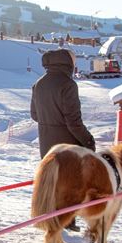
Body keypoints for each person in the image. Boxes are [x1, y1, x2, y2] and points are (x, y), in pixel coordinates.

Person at [31, 48, 96, 232]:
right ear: (67, 61)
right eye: (74, 60)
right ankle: (67, 221)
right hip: (67, 144)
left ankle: (52, 218)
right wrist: (88, 141)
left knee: (52, 182)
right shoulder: (68, 84)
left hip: (46, 143)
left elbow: (34, 115)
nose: (75, 64)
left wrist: (50, 121)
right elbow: (73, 122)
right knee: (71, 183)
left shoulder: (38, 84)